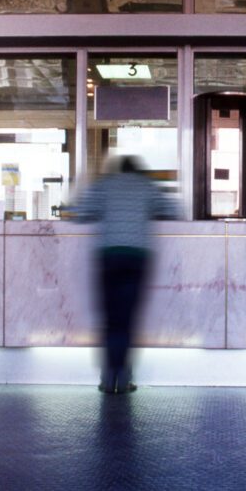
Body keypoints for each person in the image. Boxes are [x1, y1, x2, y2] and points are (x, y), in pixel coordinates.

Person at [73, 155, 178, 394]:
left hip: (109, 257)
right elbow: (174, 209)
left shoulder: (104, 184)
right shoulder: (147, 186)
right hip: (136, 258)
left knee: (110, 320)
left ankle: (108, 378)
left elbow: (81, 214)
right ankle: (125, 376)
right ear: (138, 170)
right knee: (128, 319)